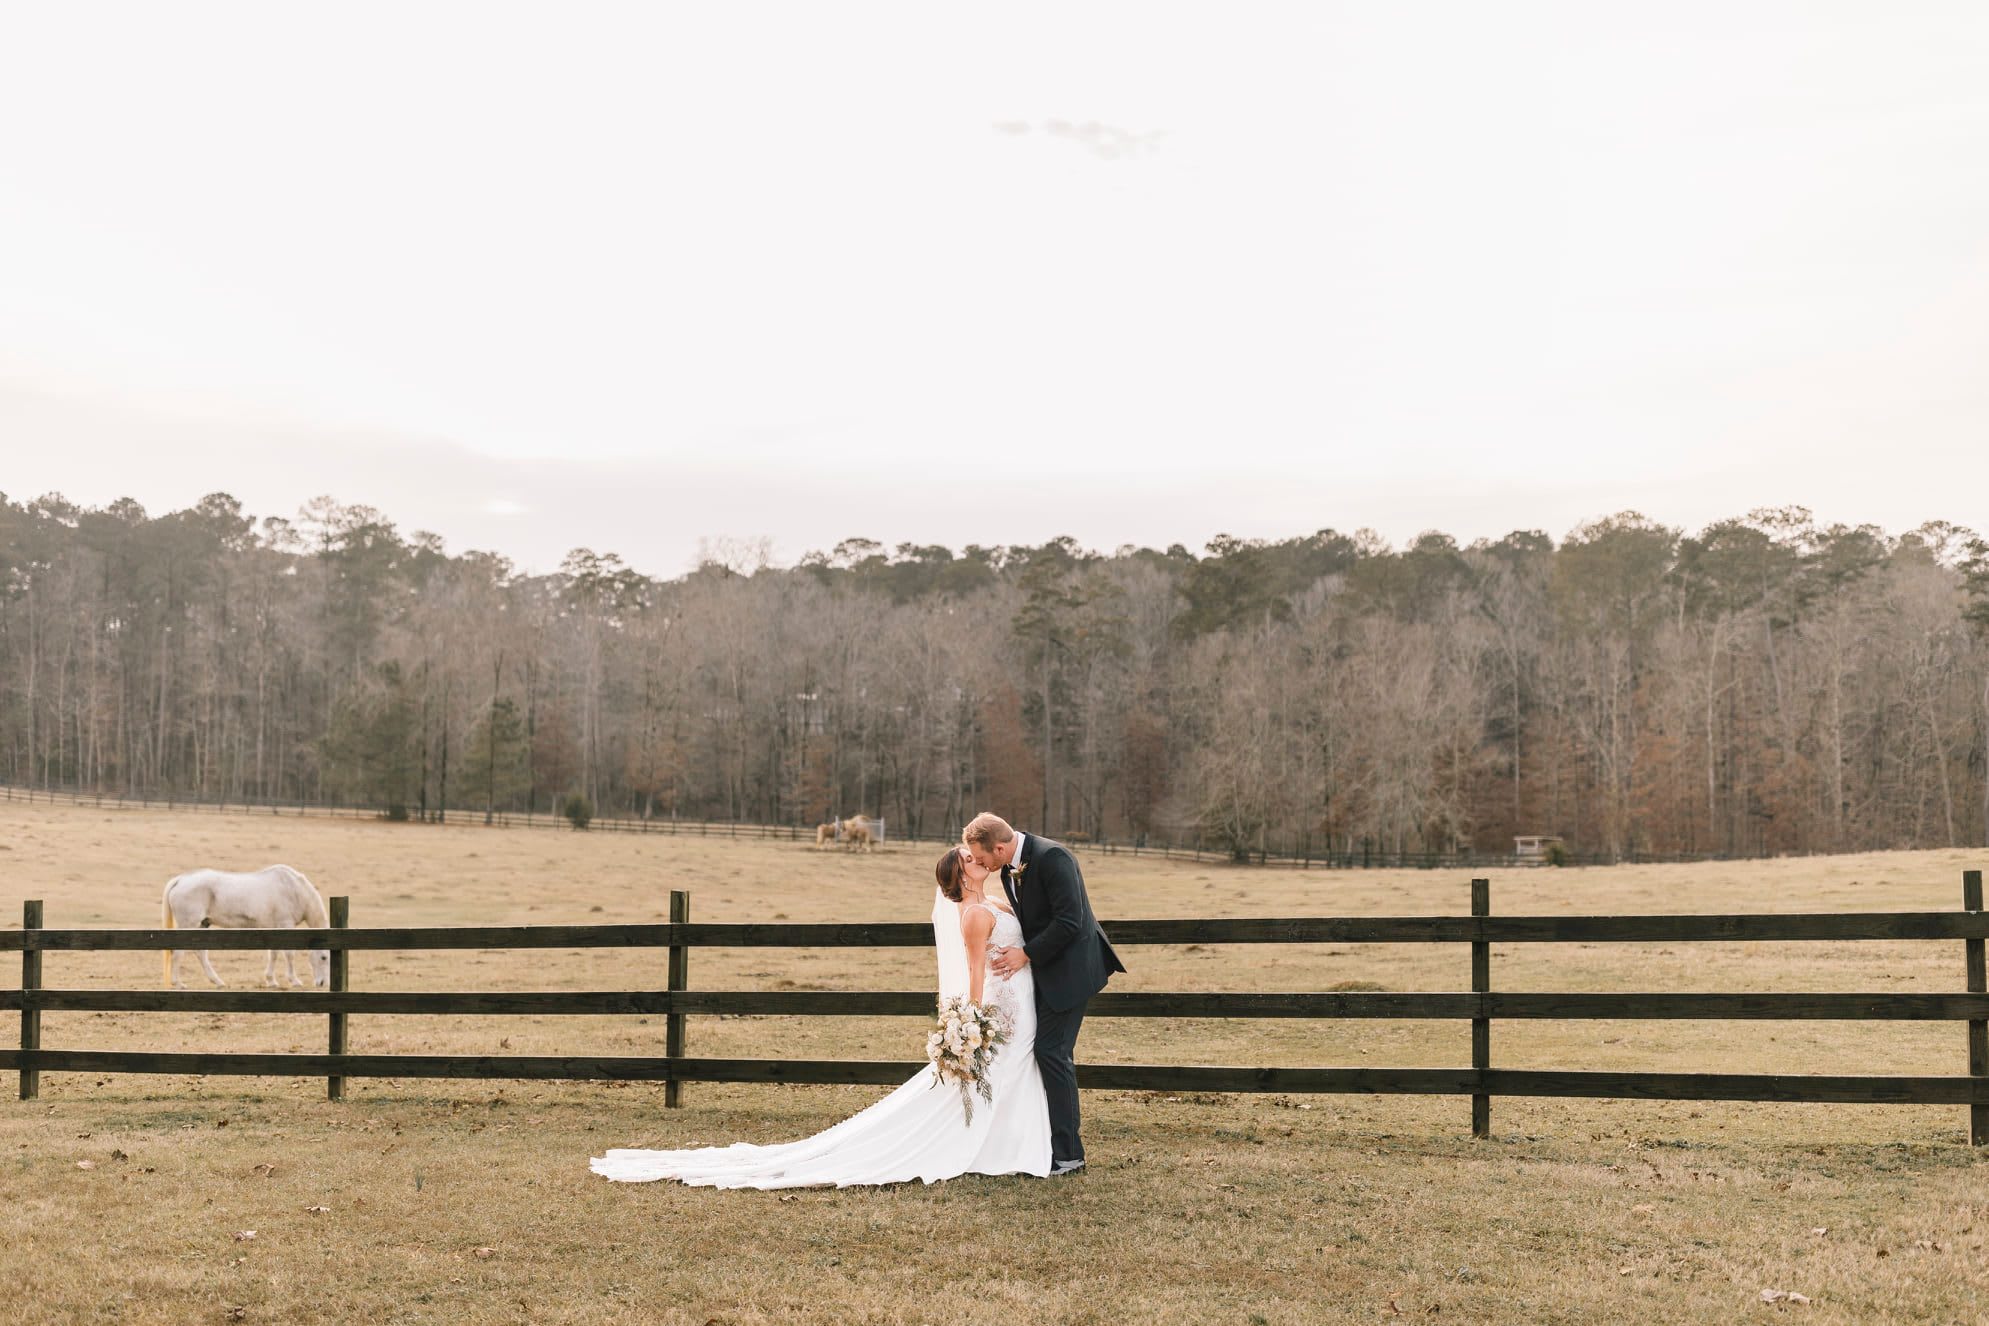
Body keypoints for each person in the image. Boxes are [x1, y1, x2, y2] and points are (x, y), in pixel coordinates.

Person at [589, 846, 1050, 1187]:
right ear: (960, 875)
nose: (977, 859)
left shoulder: (996, 902)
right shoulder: (973, 914)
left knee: (1014, 1072)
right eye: (969, 858)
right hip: (1001, 1007)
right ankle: (999, 1147)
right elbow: (973, 971)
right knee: (1003, 1069)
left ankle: (1006, 1143)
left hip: (1020, 997)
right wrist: (971, 1020)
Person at [963, 811, 1126, 1175]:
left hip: (1072, 972)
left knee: (1052, 1052)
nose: (981, 864)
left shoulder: (1054, 857)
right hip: (1041, 975)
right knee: (1040, 1052)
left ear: (1000, 847)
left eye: (983, 857)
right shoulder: (1007, 870)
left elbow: (1070, 921)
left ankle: (1069, 1155)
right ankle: (1039, 1144)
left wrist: (1025, 955)